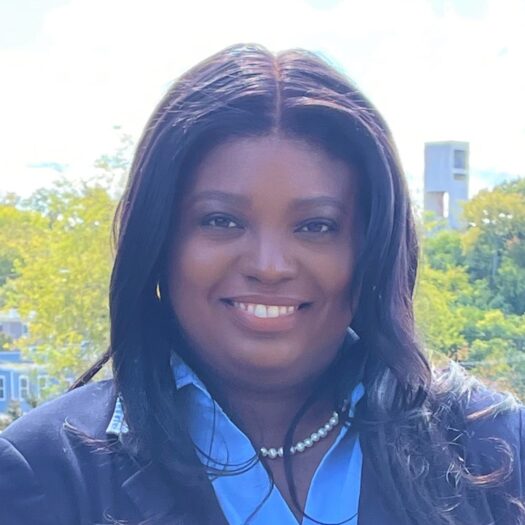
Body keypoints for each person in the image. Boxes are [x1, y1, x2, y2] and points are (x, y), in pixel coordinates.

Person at [0, 43, 523, 525]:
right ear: (158, 239)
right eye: (221, 220)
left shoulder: (494, 448)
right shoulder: (44, 473)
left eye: (316, 226)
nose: (269, 266)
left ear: (372, 248)